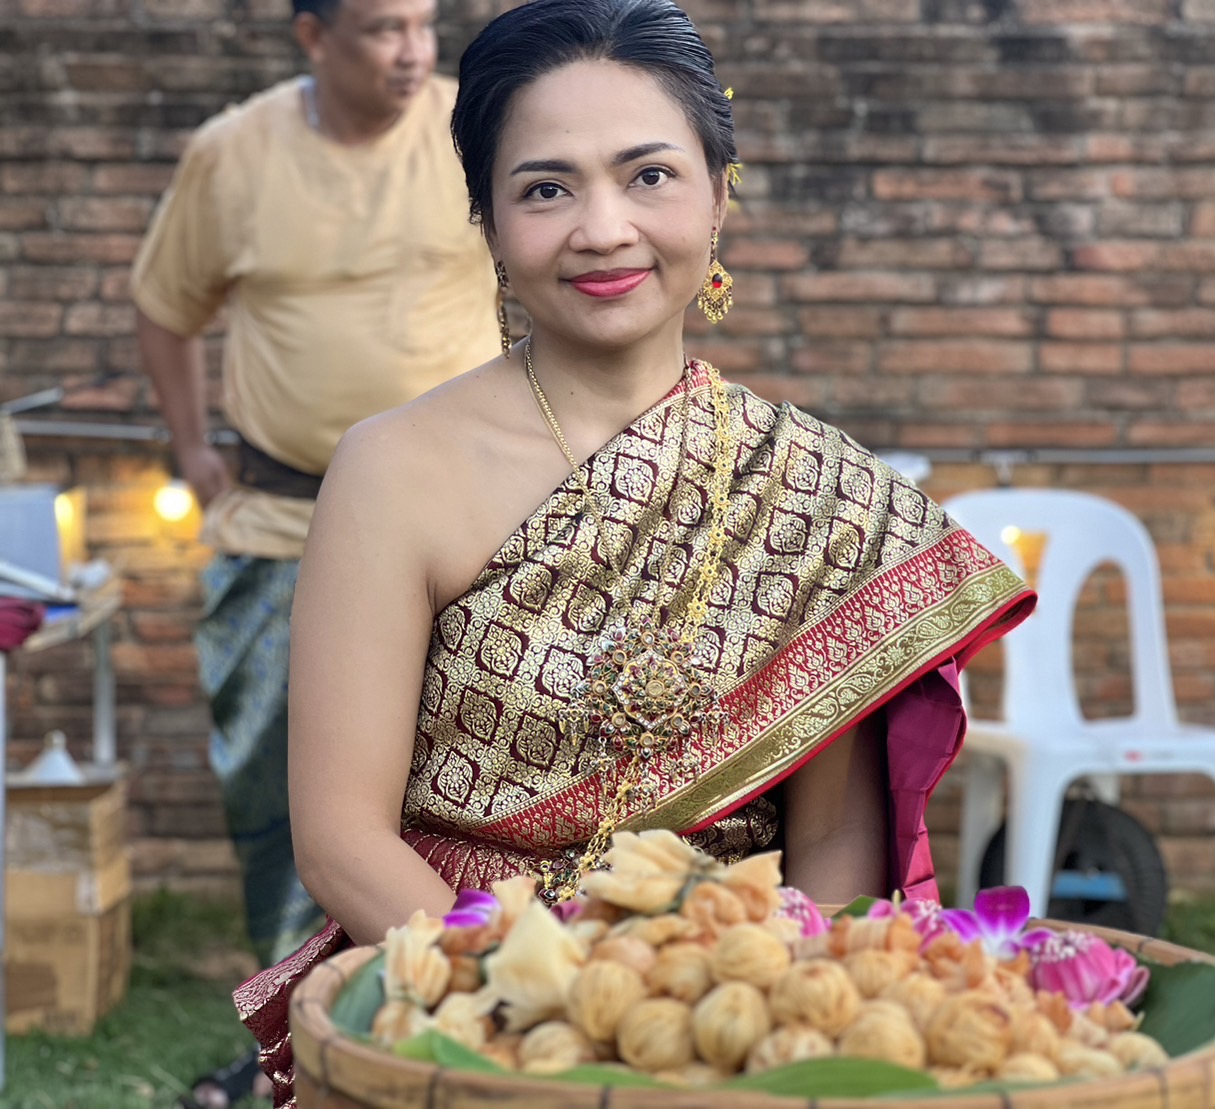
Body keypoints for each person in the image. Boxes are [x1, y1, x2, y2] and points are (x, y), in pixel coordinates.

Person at [234, 0, 1035, 1102]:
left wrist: (755, 1023)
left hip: (721, 1008)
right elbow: (339, 836)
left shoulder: (823, 495)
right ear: (487, 221)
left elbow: (836, 843)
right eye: (546, 189)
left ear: (718, 195)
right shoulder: (392, 471)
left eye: (649, 175)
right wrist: (548, 1006)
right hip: (460, 1005)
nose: (603, 229)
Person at [130, 0, 499, 1103]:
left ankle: (450, 1023)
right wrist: (192, 447)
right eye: (384, 27)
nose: (414, 50)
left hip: (469, 533)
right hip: (282, 526)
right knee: (283, 798)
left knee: (463, 793)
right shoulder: (233, 153)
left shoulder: (480, 128)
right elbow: (164, 306)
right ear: (311, 35)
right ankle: (293, 1046)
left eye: (424, 23)